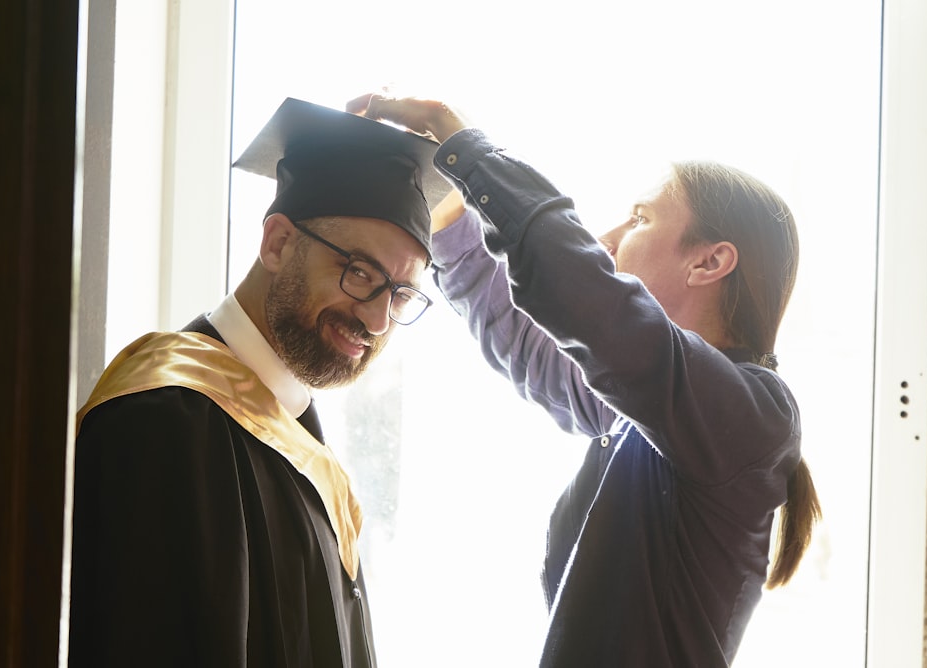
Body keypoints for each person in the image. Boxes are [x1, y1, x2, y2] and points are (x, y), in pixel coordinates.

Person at [350, 94, 822, 667]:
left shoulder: (751, 415)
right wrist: (450, 206)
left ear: (709, 262)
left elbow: (588, 301)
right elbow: (527, 341)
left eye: (641, 217)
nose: (608, 237)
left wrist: (469, 153)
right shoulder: (652, 413)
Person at [69, 98, 449, 667]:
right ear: (277, 243)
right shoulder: (162, 418)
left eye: (400, 294)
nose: (376, 320)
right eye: (360, 272)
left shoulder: (303, 443)